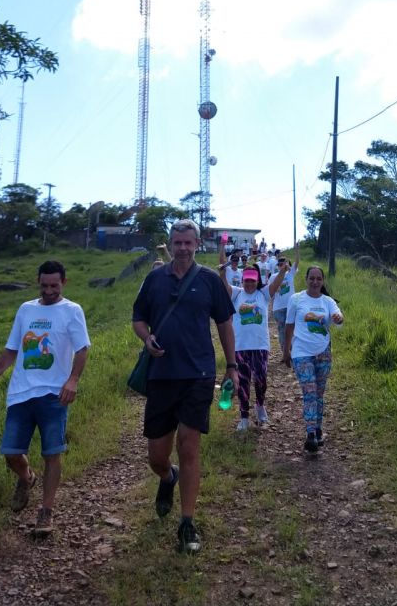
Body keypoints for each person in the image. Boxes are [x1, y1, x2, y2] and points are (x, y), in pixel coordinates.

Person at [132, 218, 237, 554]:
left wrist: (232, 366)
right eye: (177, 243)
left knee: (189, 445)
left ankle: (187, 522)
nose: (182, 248)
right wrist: (146, 338)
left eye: (188, 243)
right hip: (161, 375)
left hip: (198, 374)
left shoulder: (208, 280)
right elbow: (138, 318)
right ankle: (168, 477)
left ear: (197, 244)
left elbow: (225, 323)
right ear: (171, 243)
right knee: (157, 456)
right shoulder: (154, 279)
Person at [0, 259, 90, 536]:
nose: (49, 291)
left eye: (54, 285)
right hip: (21, 393)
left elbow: (82, 350)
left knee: (52, 453)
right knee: (10, 452)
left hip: (54, 394)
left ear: (64, 282)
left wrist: (73, 380)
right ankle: (27, 476)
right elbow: (12, 348)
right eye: (44, 285)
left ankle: (46, 513)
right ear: (38, 283)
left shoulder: (72, 311)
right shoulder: (26, 309)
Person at [219, 256, 287, 431]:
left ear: (257, 281)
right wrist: (222, 273)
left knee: (261, 379)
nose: (249, 284)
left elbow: (275, 284)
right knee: (243, 381)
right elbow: (225, 286)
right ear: (243, 280)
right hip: (240, 346)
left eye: (252, 281)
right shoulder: (236, 293)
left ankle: (260, 405)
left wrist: (283, 271)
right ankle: (244, 417)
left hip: (260, 345)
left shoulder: (263, 294)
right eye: (247, 280)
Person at [284, 265, 343, 454]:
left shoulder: (328, 301)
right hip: (301, 352)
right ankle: (310, 434)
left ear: (323, 281)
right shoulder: (296, 299)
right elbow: (289, 326)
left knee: (318, 393)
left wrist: (338, 318)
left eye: (319, 279)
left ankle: (318, 429)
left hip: (323, 352)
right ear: (306, 279)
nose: (315, 282)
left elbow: (338, 316)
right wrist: (286, 350)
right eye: (312, 278)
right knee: (309, 392)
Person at [270, 244, 299, 358]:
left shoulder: (290, 273)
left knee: (293, 329)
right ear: (278, 266)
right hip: (278, 308)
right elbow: (271, 291)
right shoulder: (273, 276)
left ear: (286, 264)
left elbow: (297, 262)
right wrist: (275, 289)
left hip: (291, 306)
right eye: (279, 264)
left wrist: (297, 251)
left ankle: (293, 351)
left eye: (283, 264)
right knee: (282, 330)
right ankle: (285, 353)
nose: (281, 266)